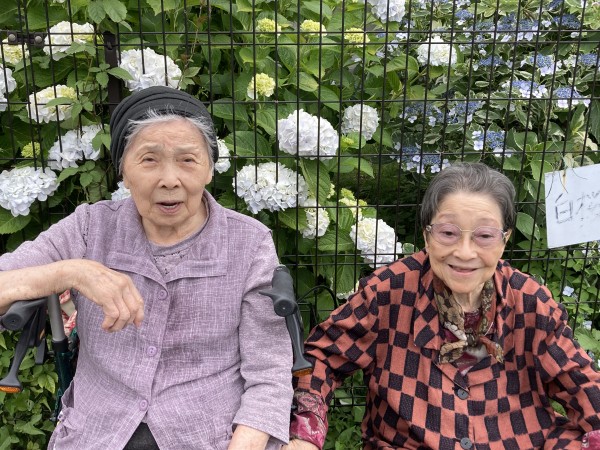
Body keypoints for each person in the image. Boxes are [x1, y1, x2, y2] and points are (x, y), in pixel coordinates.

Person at [0, 86, 293, 449]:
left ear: (209, 169)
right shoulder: (91, 228)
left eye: (188, 160)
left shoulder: (249, 243)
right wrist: (72, 272)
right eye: (149, 159)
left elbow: (269, 372)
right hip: (98, 434)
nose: (169, 179)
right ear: (123, 171)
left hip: (208, 437)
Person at [284, 162, 600, 449]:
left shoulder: (531, 303)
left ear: (504, 240)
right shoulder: (388, 293)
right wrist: (306, 434)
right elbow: (321, 358)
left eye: (484, 236)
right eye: (448, 233)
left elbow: (585, 387)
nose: (464, 252)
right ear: (427, 235)